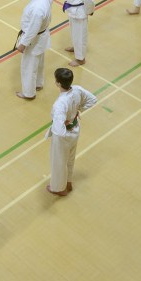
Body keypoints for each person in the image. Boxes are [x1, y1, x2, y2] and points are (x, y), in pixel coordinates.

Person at [46, 68, 98, 196]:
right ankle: (68, 182)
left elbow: (58, 130)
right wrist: (78, 111)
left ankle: (59, 188)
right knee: (70, 158)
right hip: (75, 129)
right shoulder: (77, 89)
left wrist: (64, 127)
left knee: (59, 162)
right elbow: (93, 99)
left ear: (58, 83)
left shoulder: (59, 104)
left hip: (64, 136)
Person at [16, 0, 52, 100]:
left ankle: (28, 93)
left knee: (28, 66)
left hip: (34, 39)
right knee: (39, 62)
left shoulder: (37, 8)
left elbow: (32, 29)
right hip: (42, 36)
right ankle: (38, 83)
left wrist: (23, 44)